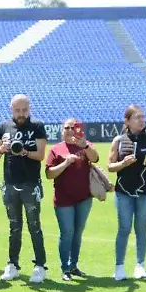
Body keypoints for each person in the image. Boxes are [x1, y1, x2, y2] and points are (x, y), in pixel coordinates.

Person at [0, 94, 48, 283]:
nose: (21, 114)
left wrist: (23, 151)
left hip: (31, 184)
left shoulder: (37, 126)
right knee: (14, 227)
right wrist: (2, 149)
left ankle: (40, 266)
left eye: (24, 110)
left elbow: (40, 155)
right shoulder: (3, 127)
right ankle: (12, 265)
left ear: (29, 108)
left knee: (35, 227)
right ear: (11, 109)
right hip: (10, 184)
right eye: (17, 110)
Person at [108, 105, 146, 280]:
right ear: (127, 121)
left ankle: (140, 265)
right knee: (124, 228)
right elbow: (110, 166)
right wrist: (123, 163)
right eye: (137, 117)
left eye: (143, 117)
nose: (141, 120)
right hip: (123, 192)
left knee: (141, 228)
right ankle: (119, 267)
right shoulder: (118, 140)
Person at [45, 118, 99, 281]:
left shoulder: (85, 144)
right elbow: (49, 174)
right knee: (67, 233)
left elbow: (95, 158)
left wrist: (85, 146)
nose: (70, 130)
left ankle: (74, 265)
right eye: (67, 127)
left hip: (84, 198)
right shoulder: (56, 149)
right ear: (62, 131)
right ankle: (65, 268)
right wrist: (66, 163)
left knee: (77, 233)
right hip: (63, 199)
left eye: (73, 127)